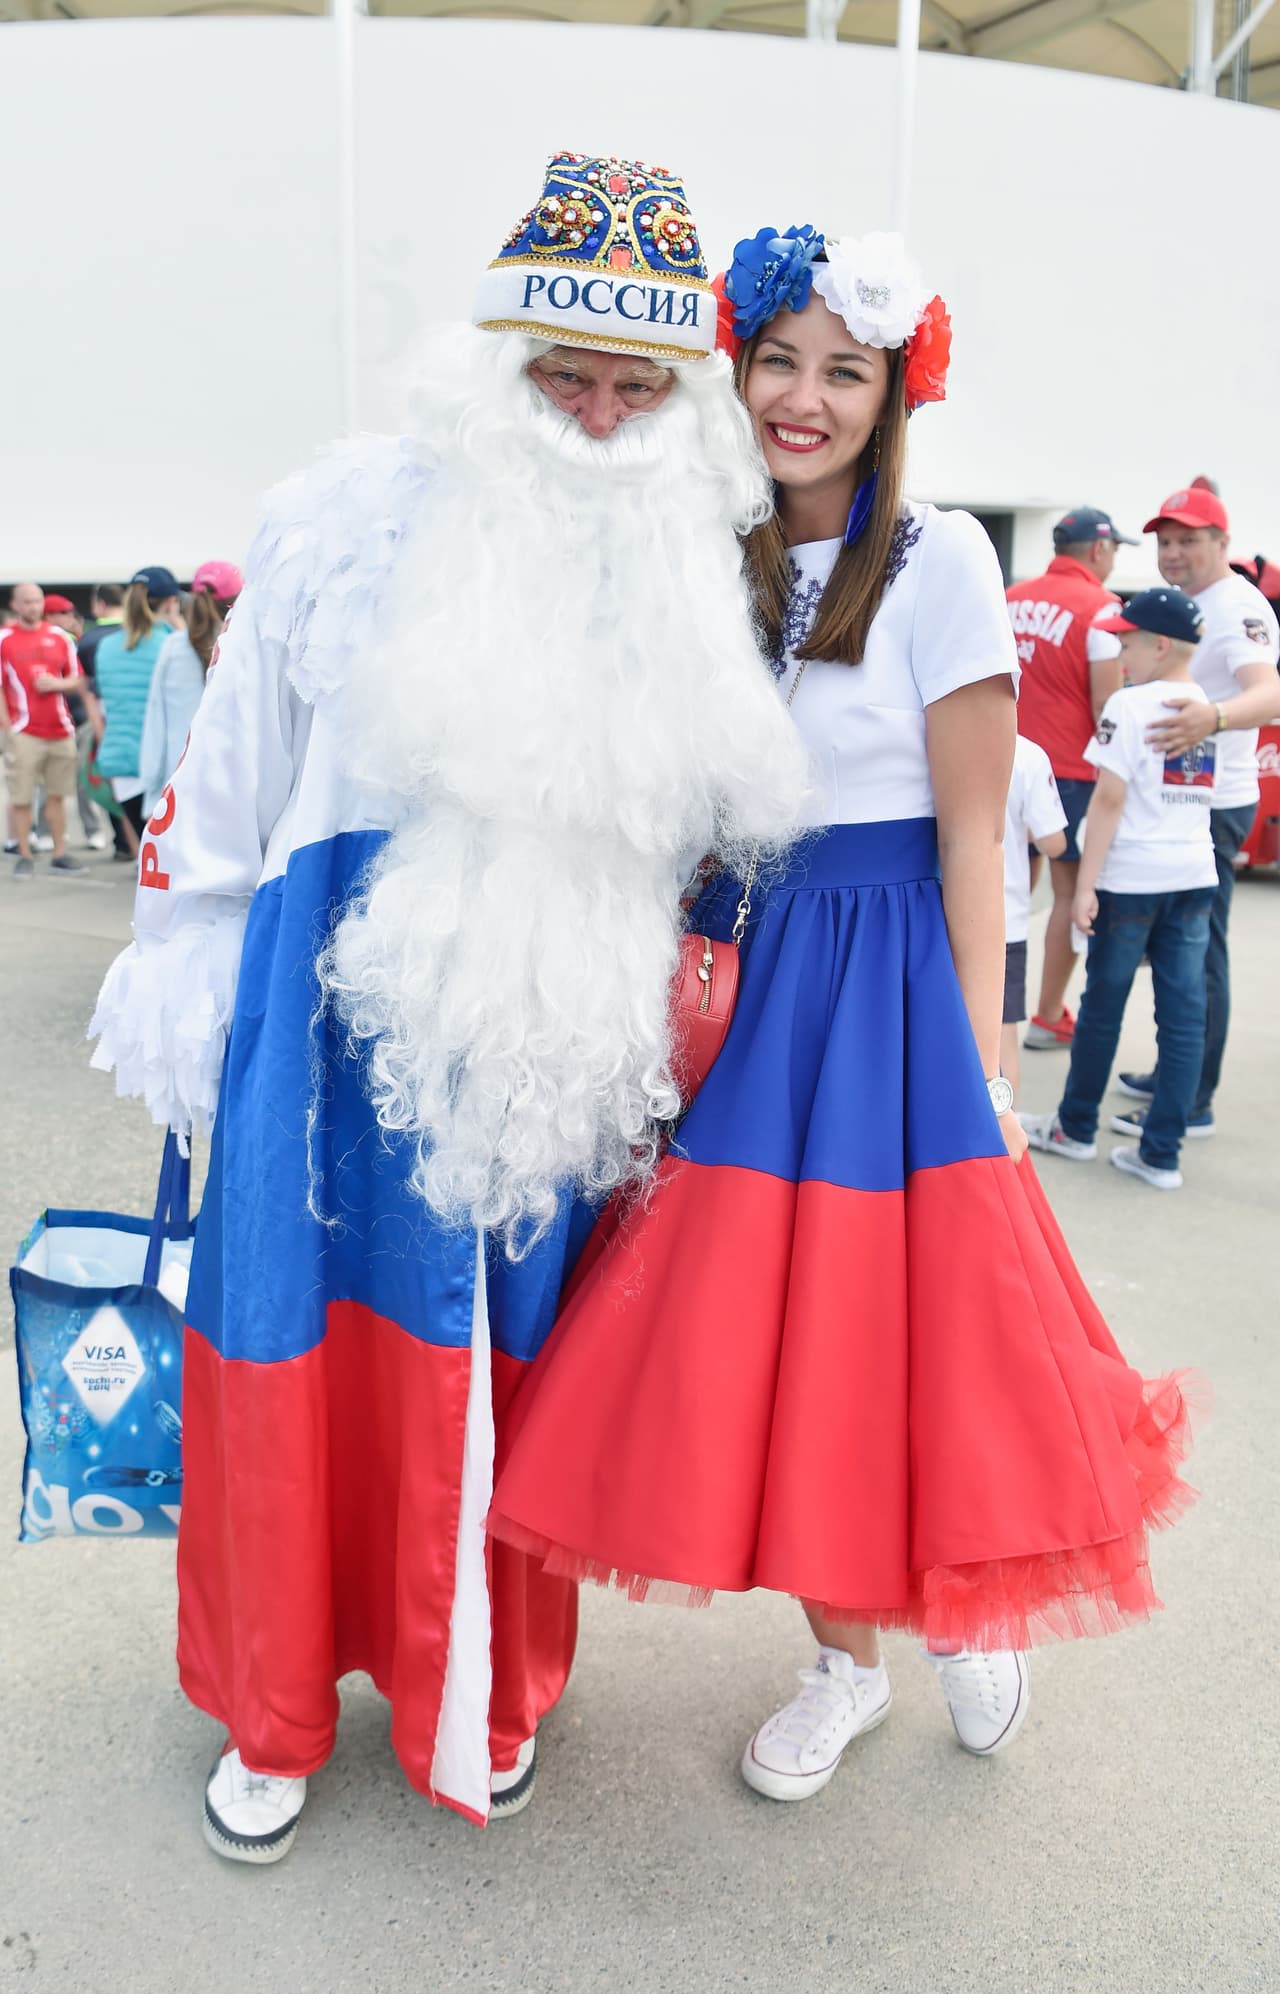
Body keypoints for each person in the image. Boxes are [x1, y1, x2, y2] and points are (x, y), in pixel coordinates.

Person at [89, 151, 807, 1859]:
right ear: (497, 365)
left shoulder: (693, 555)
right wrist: (186, 954)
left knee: (527, 1380)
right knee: (291, 1351)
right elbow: (230, 764)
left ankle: (491, 1691)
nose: (601, 418)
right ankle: (273, 1704)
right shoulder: (339, 523)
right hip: (329, 1014)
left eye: (639, 388)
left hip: (561, 1044)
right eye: (566, 377)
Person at [487, 224, 1198, 1804]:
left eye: (844, 373)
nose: (803, 398)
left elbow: (971, 832)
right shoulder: (704, 553)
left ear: (893, 396)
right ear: (736, 370)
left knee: (931, 1318)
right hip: (750, 962)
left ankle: (959, 1600)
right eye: (779, 363)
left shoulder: (942, 559)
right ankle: (846, 1659)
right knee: (772, 1330)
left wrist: (985, 1056)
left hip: (891, 970)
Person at [1021, 590, 1217, 1191]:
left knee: (1103, 1008)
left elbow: (1108, 801)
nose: (1119, 653)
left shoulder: (1128, 707)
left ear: (1159, 646)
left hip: (1130, 880)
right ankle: (1161, 1154)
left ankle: (1075, 1127)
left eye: (1126, 642)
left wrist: (1084, 885)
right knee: (1183, 1017)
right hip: (1192, 874)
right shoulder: (1204, 706)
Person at [1115, 488, 1280, 1134]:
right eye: (1165, 542)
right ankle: (1176, 1077)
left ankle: (1191, 1101)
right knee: (1177, 956)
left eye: (1188, 540)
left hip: (1212, 807)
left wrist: (1212, 718)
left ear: (1222, 544)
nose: (1174, 552)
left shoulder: (1238, 607)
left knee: (1198, 956)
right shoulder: (1195, 603)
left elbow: (1269, 693)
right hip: (1183, 804)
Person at [1005, 508, 1132, 1050]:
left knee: (1003, 885)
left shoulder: (1010, 598)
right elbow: (1108, 705)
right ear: (1099, 550)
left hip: (1002, 759)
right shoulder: (1102, 608)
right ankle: (1048, 1014)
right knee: (1066, 895)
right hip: (1068, 773)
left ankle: (986, 1003)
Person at [139, 560, 243, 816]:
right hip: (232, 780)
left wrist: (151, 783)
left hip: (178, 781)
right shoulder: (245, 647)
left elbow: (156, 715)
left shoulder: (173, 647)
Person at [0, 583, 89, 877]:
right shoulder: (5, 639)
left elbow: (77, 679)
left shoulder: (59, 637)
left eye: (37, 601)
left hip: (60, 728)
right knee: (22, 796)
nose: (33, 607)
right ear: (15, 605)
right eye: (26, 602)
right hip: (23, 729)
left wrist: (57, 684)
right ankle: (24, 854)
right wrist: (8, 727)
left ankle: (59, 853)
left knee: (57, 795)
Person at [93, 566, 184, 847]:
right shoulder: (172, 643)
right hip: (162, 764)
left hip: (121, 760)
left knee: (146, 854)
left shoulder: (106, 646)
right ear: (171, 602)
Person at [1001, 734, 1067, 1100]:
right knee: (1001, 1032)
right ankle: (1004, 1124)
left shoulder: (929, 736)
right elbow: (1053, 843)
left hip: (935, 911)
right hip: (1004, 920)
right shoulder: (1028, 754)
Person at [78, 586, 133, 860]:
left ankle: (124, 844)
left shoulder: (89, 639)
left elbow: (87, 687)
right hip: (140, 719)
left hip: (105, 720)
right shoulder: (143, 632)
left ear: (99, 604)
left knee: (112, 784)